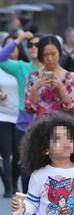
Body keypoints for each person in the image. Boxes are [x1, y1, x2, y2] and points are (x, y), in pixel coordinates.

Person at [0, 31, 42, 196]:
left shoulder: (53, 71)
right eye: (30, 45)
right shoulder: (22, 67)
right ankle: (28, 204)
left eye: (37, 45)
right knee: (26, 164)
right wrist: (19, 39)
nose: (32, 48)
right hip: (24, 121)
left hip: (46, 122)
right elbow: (1, 58)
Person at [24, 35, 74, 118]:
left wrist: (61, 87)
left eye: (53, 54)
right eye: (45, 55)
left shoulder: (71, 77)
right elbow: (30, 108)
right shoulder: (33, 77)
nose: (50, 58)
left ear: (59, 52)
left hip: (63, 126)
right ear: (40, 56)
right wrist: (35, 87)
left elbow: (72, 108)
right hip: (41, 126)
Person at [0, 37, 20, 197]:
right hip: (3, 116)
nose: (13, 49)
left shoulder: (22, 67)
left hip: (20, 116)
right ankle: (7, 186)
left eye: (15, 46)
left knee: (18, 154)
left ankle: (14, 182)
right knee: (5, 153)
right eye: (8, 46)